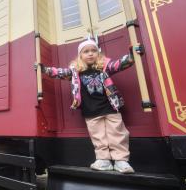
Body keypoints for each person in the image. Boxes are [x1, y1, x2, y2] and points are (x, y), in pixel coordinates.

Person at [40, 39, 140, 174]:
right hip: (91, 111)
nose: (90, 54)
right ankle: (103, 160)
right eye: (86, 51)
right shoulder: (75, 72)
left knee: (117, 133)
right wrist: (44, 69)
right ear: (80, 55)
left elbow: (119, 64)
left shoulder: (104, 67)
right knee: (98, 136)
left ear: (98, 54)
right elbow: (60, 72)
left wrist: (132, 55)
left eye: (94, 51)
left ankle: (121, 160)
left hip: (110, 107)